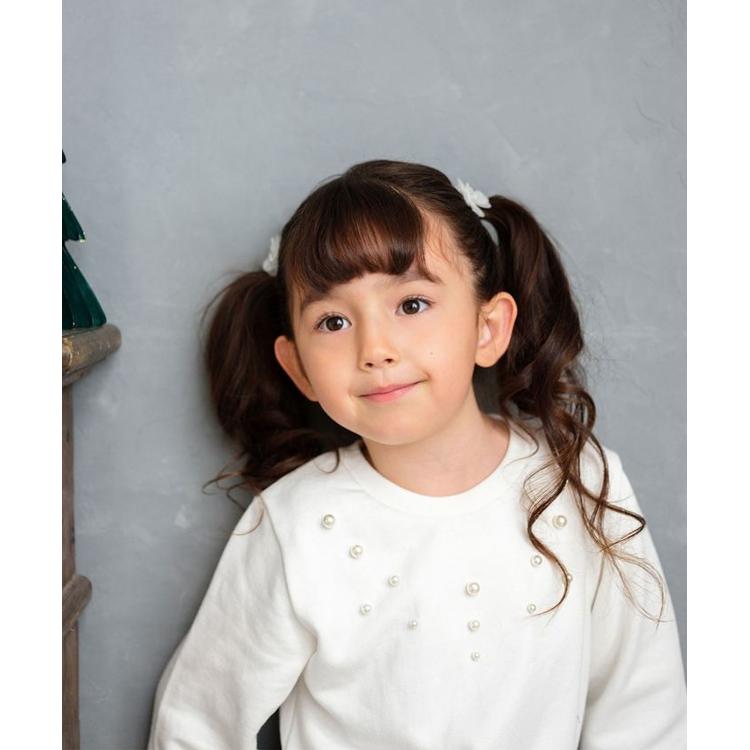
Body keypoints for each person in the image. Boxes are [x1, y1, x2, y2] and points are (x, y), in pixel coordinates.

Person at [146, 159, 687, 749]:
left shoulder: (581, 482)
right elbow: (194, 725)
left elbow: (645, 711)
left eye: (411, 305)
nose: (375, 348)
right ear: (298, 367)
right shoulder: (295, 523)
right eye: (333, 321)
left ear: (488, 328)